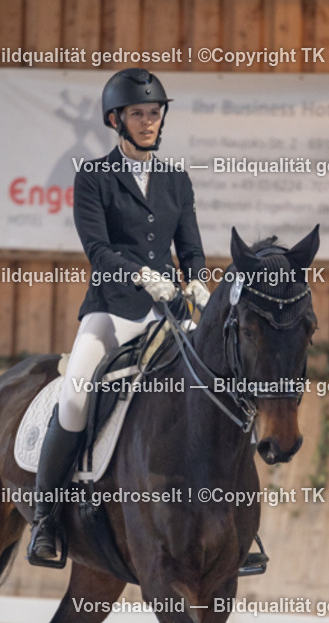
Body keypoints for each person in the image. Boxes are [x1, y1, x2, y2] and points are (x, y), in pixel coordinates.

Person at [27, 68, 211, 565]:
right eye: (138, 114)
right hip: (113, 310)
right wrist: (142, 276)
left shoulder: (176, 179)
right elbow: (98, 250)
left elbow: (191, 248)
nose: (149, 122)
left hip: (171, 313)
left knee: (216, 385)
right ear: (116, 120)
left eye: (154, 113)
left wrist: (197, 279)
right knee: (75, 395)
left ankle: (230, 518)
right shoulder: (93, 177)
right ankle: (46, 518)